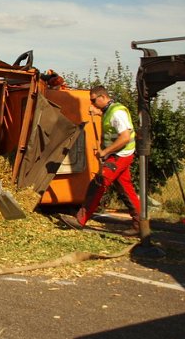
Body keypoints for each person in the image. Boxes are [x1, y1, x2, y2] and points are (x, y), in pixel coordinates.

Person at [60, 85, 141, 237]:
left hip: (120, 155)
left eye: (93, 100)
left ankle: (80, 220)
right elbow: (108, 117)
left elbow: (125, 137)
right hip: (119, 154)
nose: (92, 104)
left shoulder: (117, 113)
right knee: (126, 189)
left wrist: (105, 151)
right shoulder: (109, 109)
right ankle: (140, 224)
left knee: (98, 183)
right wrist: (97, 112)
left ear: (102, 97)